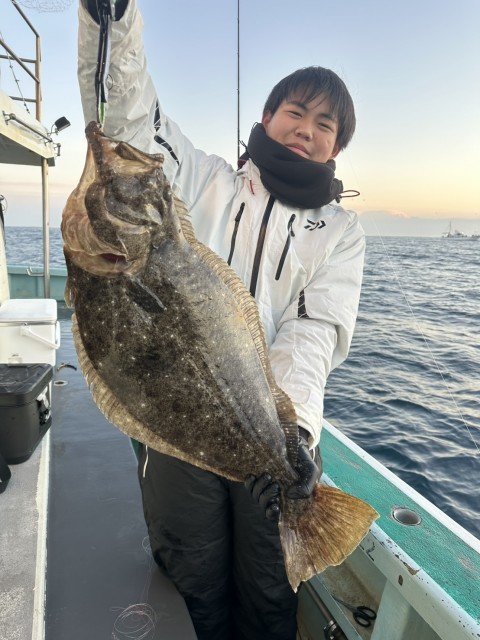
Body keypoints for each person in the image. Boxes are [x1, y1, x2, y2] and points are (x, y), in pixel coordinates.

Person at [78, 1, 365, 639]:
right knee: (192, 577)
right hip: (177, 425)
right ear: (266, 117)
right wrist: (112, 23)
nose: (305, 129)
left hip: (269, 430)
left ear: (337, 145)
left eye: (323, 123)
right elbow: (131, 120)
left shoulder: (341, 233)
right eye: (294, 111)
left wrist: (294, 433)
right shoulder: (202, 179)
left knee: (269, 586)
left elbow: (314, 331)